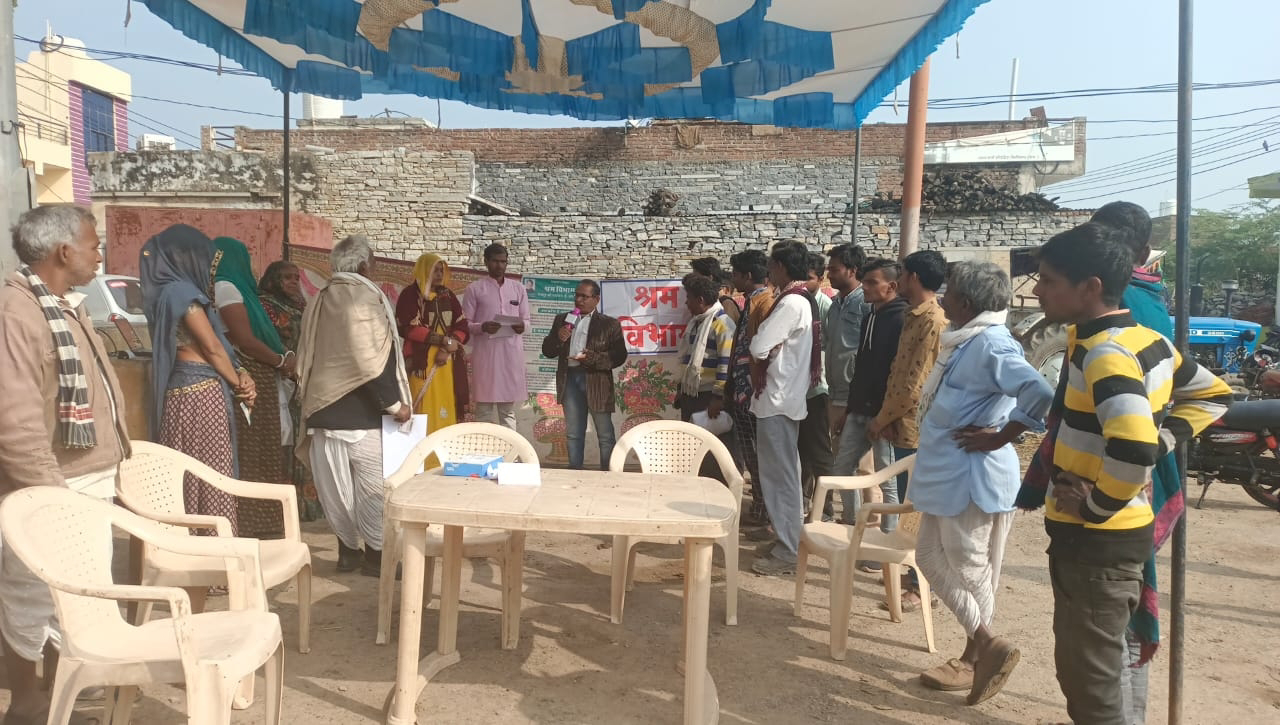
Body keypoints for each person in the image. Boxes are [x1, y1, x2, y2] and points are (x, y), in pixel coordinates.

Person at [1027, 223, 1232, 725]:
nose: (1037, 290)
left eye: (1048, 280)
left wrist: (1097, 505)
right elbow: (1212, 394)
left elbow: (1135, 444)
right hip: (1110, 537)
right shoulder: (1142, 340)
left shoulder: (1107, 353)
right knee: (1093, 671)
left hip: (1098, 541)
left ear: (1090, 287)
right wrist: (1162, 441)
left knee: (1092, 688)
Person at [0, 205, 131, 725]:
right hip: (48, 485)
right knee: (33, 596)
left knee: (71, 597)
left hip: (82, 480)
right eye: (94, 246)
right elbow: (14, 419)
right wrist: (49, 495)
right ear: (63, 251)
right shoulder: (18, 313)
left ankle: (59, 697)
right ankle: (27, 705)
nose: (100, 255)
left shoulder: (58, 306)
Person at [910, 262, 1054, 704]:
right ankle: (987, 643)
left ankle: (974, 658)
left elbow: (1040, 393)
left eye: (949, 291)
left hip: (973, 476)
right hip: (948, 474)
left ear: (967, 303)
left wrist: (1000, 436)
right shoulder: (966, 340)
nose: (942, 297)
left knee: (971, 567)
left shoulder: (991, 343)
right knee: (928, 557)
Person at [296, 235, 412, 576]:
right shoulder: (363, 298)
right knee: (373, 491)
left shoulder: (320, 298)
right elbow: (370, 360)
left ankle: (348, 553)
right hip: (362, 417)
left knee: (336, 493)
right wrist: (395, 405)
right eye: (373, 262)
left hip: (322, 411)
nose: (374, 267)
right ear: (363, 265)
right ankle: (376, 557)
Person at [142, 225, 255, 545]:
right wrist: (240, 385)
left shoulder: (163, 293)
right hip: (202, 394)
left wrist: (240, 372)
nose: (207, 267)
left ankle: (188, 545)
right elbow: (213, 348)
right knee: (213, 475)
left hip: (182, 393)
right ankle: (216, 551)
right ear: (186, 257)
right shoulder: (183, 294)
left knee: (188, 475)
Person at [212, 237, 294, 539]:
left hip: (261, 374)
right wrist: (280, 360)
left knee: (265, 449)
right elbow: (244, 340)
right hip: (250, 375)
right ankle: (253, 523)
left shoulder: (239, 290)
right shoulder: (226, 287)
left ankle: (266, 521)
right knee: (253, 452)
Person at [748, 242, 819, 576]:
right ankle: (787, 540)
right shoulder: (799, 299)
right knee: (785, 475)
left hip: (777, 398)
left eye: (771, 266)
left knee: (780, 478)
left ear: (780, 267)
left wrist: (767, 343)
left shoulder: (790, 302)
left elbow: (758, 346)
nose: (768, 272)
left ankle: (789, 550)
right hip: (784, 398)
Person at [833, 258, 907, 528]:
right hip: (859, 410)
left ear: (892, 286)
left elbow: (898, 375)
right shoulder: (870, 316)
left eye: (872, 282)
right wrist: (849, 409)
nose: (864, 287)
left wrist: (887, 417)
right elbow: (862, 367)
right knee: (842, 468)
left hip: (883, 416)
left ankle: (888, 538)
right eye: (864, 282)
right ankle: (852, 524)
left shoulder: (902, 319)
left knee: (887, 480)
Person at [540, 280, 628, 469]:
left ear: (596, 299)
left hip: (597, 380)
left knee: (605, 434)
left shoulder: (609, 324)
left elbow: (619, 356)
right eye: (576, 295)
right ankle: (575, 472)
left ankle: (609, 473)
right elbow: (548, 351)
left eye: (584, 297)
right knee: (573, 433)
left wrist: (592, 358)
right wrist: (558, 338)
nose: (578, 300)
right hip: (570, 379)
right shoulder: (563, 320)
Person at [259, 260, 322, 521]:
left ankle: (306, 507)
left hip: (303, 383)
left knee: (304, 440)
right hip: (277, 380)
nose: (294, 282)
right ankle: (284, 510)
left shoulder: (301, 305)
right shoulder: (265, 306)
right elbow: (265, 339)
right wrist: (286, 363)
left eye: (296, 277)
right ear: (273, 280)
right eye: (287, 277)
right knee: (283, 443)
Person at [726, 249, 776, 524]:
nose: (732, 279)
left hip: (755, 391)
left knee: (760, 456)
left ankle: (765, 512)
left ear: (747, 275)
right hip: (743, 389)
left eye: (735, 274)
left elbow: (764, 351)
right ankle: (759, 508)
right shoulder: (751, 302)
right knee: (751, 453)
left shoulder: (766, 304)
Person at [397, 253, 470, 436]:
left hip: (447, 362)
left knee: (447, 403)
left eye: (441, 270)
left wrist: (448, 347)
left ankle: (443, 450)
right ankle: (422, 452)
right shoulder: (410, 295)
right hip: (421, 363)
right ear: (423, 270)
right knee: (422, 406)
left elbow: (462, 326)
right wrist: (444, 341)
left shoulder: (448, 296)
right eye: (434, 270)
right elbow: (408, 328)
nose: (439, 274)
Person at [462, 243, 529, 430]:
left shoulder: (518, 289)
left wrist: (522, 326)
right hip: (486, 356)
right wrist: (482, 327)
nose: (499, 266)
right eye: (495, 261)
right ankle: (484, 447)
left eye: (503, 261)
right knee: (483, 410)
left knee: (507, 411)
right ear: (486, 262)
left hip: (510, 355)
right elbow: (465, 324)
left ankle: (510, 448)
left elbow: (527, 321)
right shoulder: (475, 289)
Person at [677, 273, 737, 480]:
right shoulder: (696, 323)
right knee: (692, 446)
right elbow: (688, 359)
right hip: (692, 394)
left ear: (700, 300)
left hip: (709, 397)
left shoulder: (723, 324)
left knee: (712, 449)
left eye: (689, 298)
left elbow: (726, 363)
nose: (686, 303)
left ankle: (716, 486)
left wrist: (718, 397)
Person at [797, 250, 835, 520]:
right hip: (799, 389)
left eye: (809, 278)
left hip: (818, 388)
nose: (803, 283)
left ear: (821, 279)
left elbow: (827, 348)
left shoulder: (824, 306)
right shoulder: (798, 301)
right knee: (802, 451)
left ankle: (826, 510)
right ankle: (802, 506)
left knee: (820, 452)